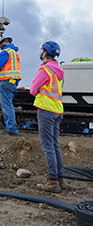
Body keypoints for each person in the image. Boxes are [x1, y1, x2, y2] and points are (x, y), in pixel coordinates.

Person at [30, 41, 66, 193]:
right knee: (54, 144)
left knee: (48, 146)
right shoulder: (59, 70)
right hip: (58, 109)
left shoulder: (45, 70)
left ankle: (52, 182)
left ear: (45, 53)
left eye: (42, 51)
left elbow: (33, 90)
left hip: (46, 109)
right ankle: (59, 179)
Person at [0, 37, 21, 135]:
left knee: (6, 106)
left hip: (6, 82)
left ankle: (11, 129)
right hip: (12, 82)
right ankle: (11, 127)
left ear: (3, 44)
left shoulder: (5, 52)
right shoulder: (14, 53)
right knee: (8, 105)